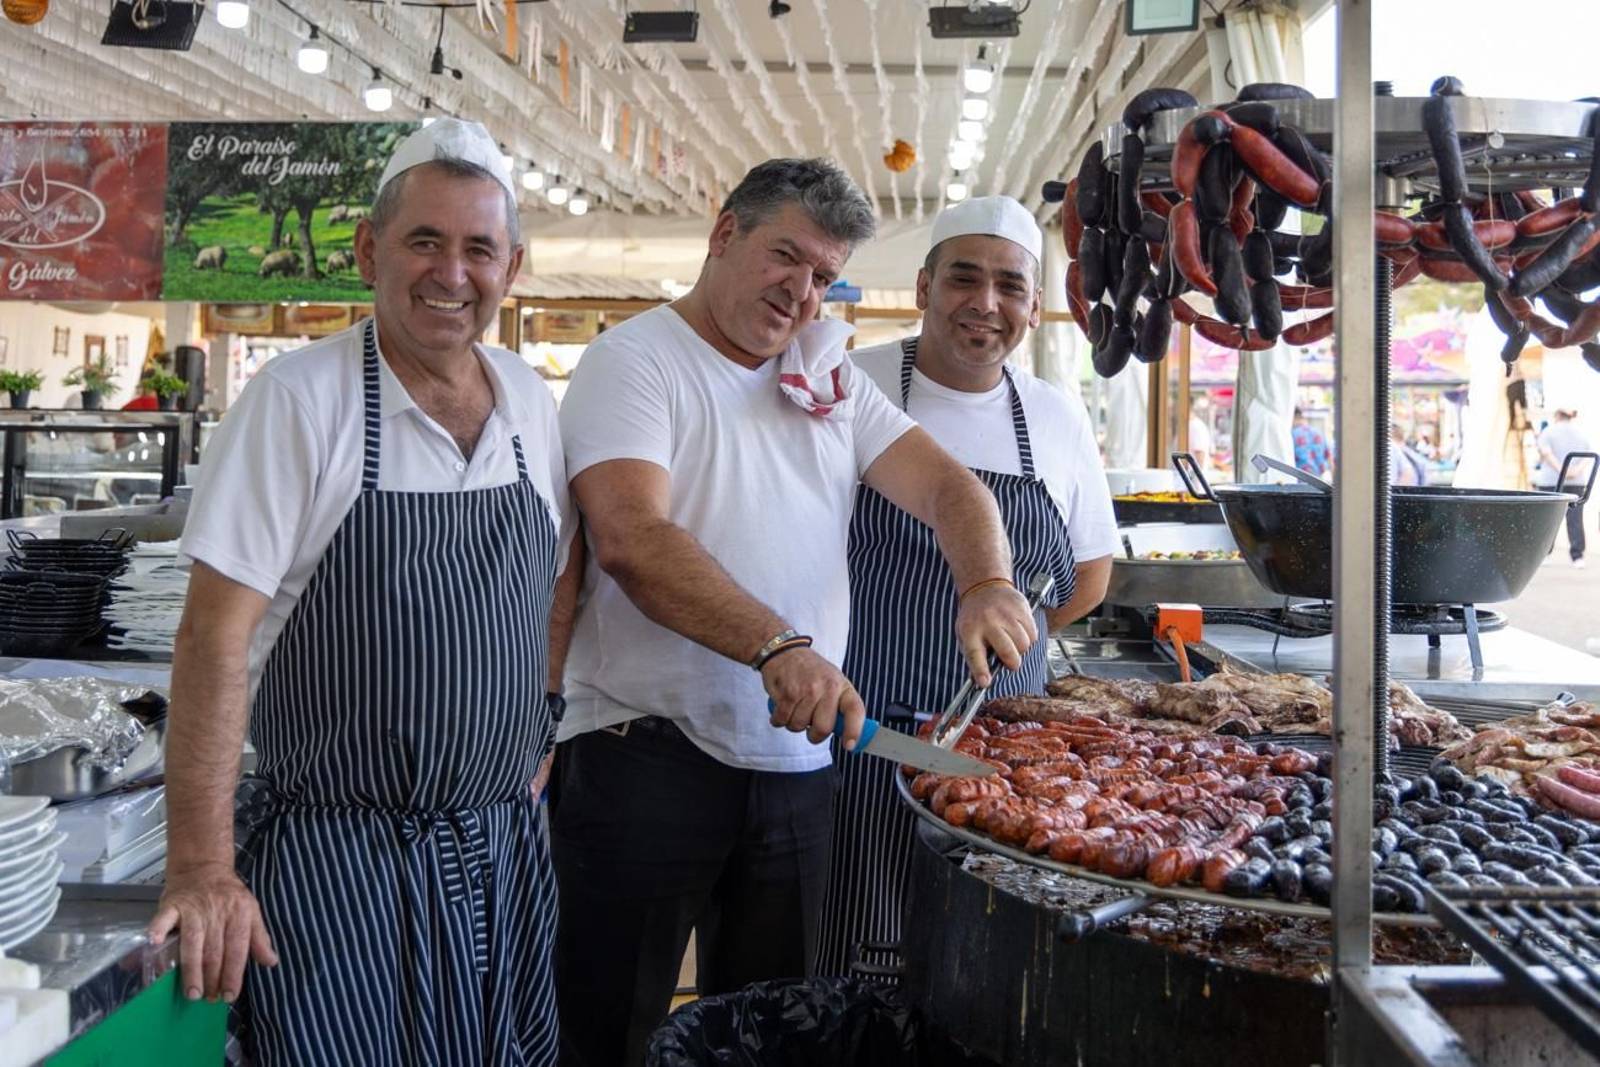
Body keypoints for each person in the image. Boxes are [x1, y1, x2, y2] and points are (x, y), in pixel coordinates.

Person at [551, 158, 1038, 1067]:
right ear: (724, 233)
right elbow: (630, 536)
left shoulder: (828, 379)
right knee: (608, 1028)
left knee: (777, 1034)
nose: (801, 292)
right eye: (787, 257)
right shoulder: (636, 359)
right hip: (645, 759)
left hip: (796, 765)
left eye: (823, 275)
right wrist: (778, 645)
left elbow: (949, 486)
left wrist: (986, 582)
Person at [148, 120, 581, 1066]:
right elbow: (212, 642)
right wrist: (202, 867)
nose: (451, 274)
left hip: (497, 853)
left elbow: (559, 571)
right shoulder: (302, 401)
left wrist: (540, 717)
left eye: (478, 249)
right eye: (425, 241)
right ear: (366, 249)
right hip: (338, 862)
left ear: (514, 264)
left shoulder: (526, 403)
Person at [811, 195, 1118, 977]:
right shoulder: (850, 383)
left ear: (1035, 308)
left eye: (1011, 286)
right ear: (923, 287)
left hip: (1004, 751)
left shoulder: (1054, 416)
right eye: (964, 279)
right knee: (859, 956)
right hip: (860, 736)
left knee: (992, 964)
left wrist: (1016, 629)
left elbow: (1087, 574)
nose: (986, 304)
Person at [1536, 408, 1593, 567]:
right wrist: (1574, 471)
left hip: (1551, 481)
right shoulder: (1580, 433)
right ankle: (1577, 556)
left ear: (1557, 415)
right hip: (1576, 481)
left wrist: (1562, 471)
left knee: (1549, 519)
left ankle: (1545, 554)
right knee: (1575, 519)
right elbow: (1590, 455)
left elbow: (1546, 454)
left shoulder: (1548, 431)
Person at [1293, 406, 1332, 476]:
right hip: (1319, 480)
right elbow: (1329, 458)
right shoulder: (1319, 433)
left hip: (1300, 480)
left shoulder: (1292, 434)